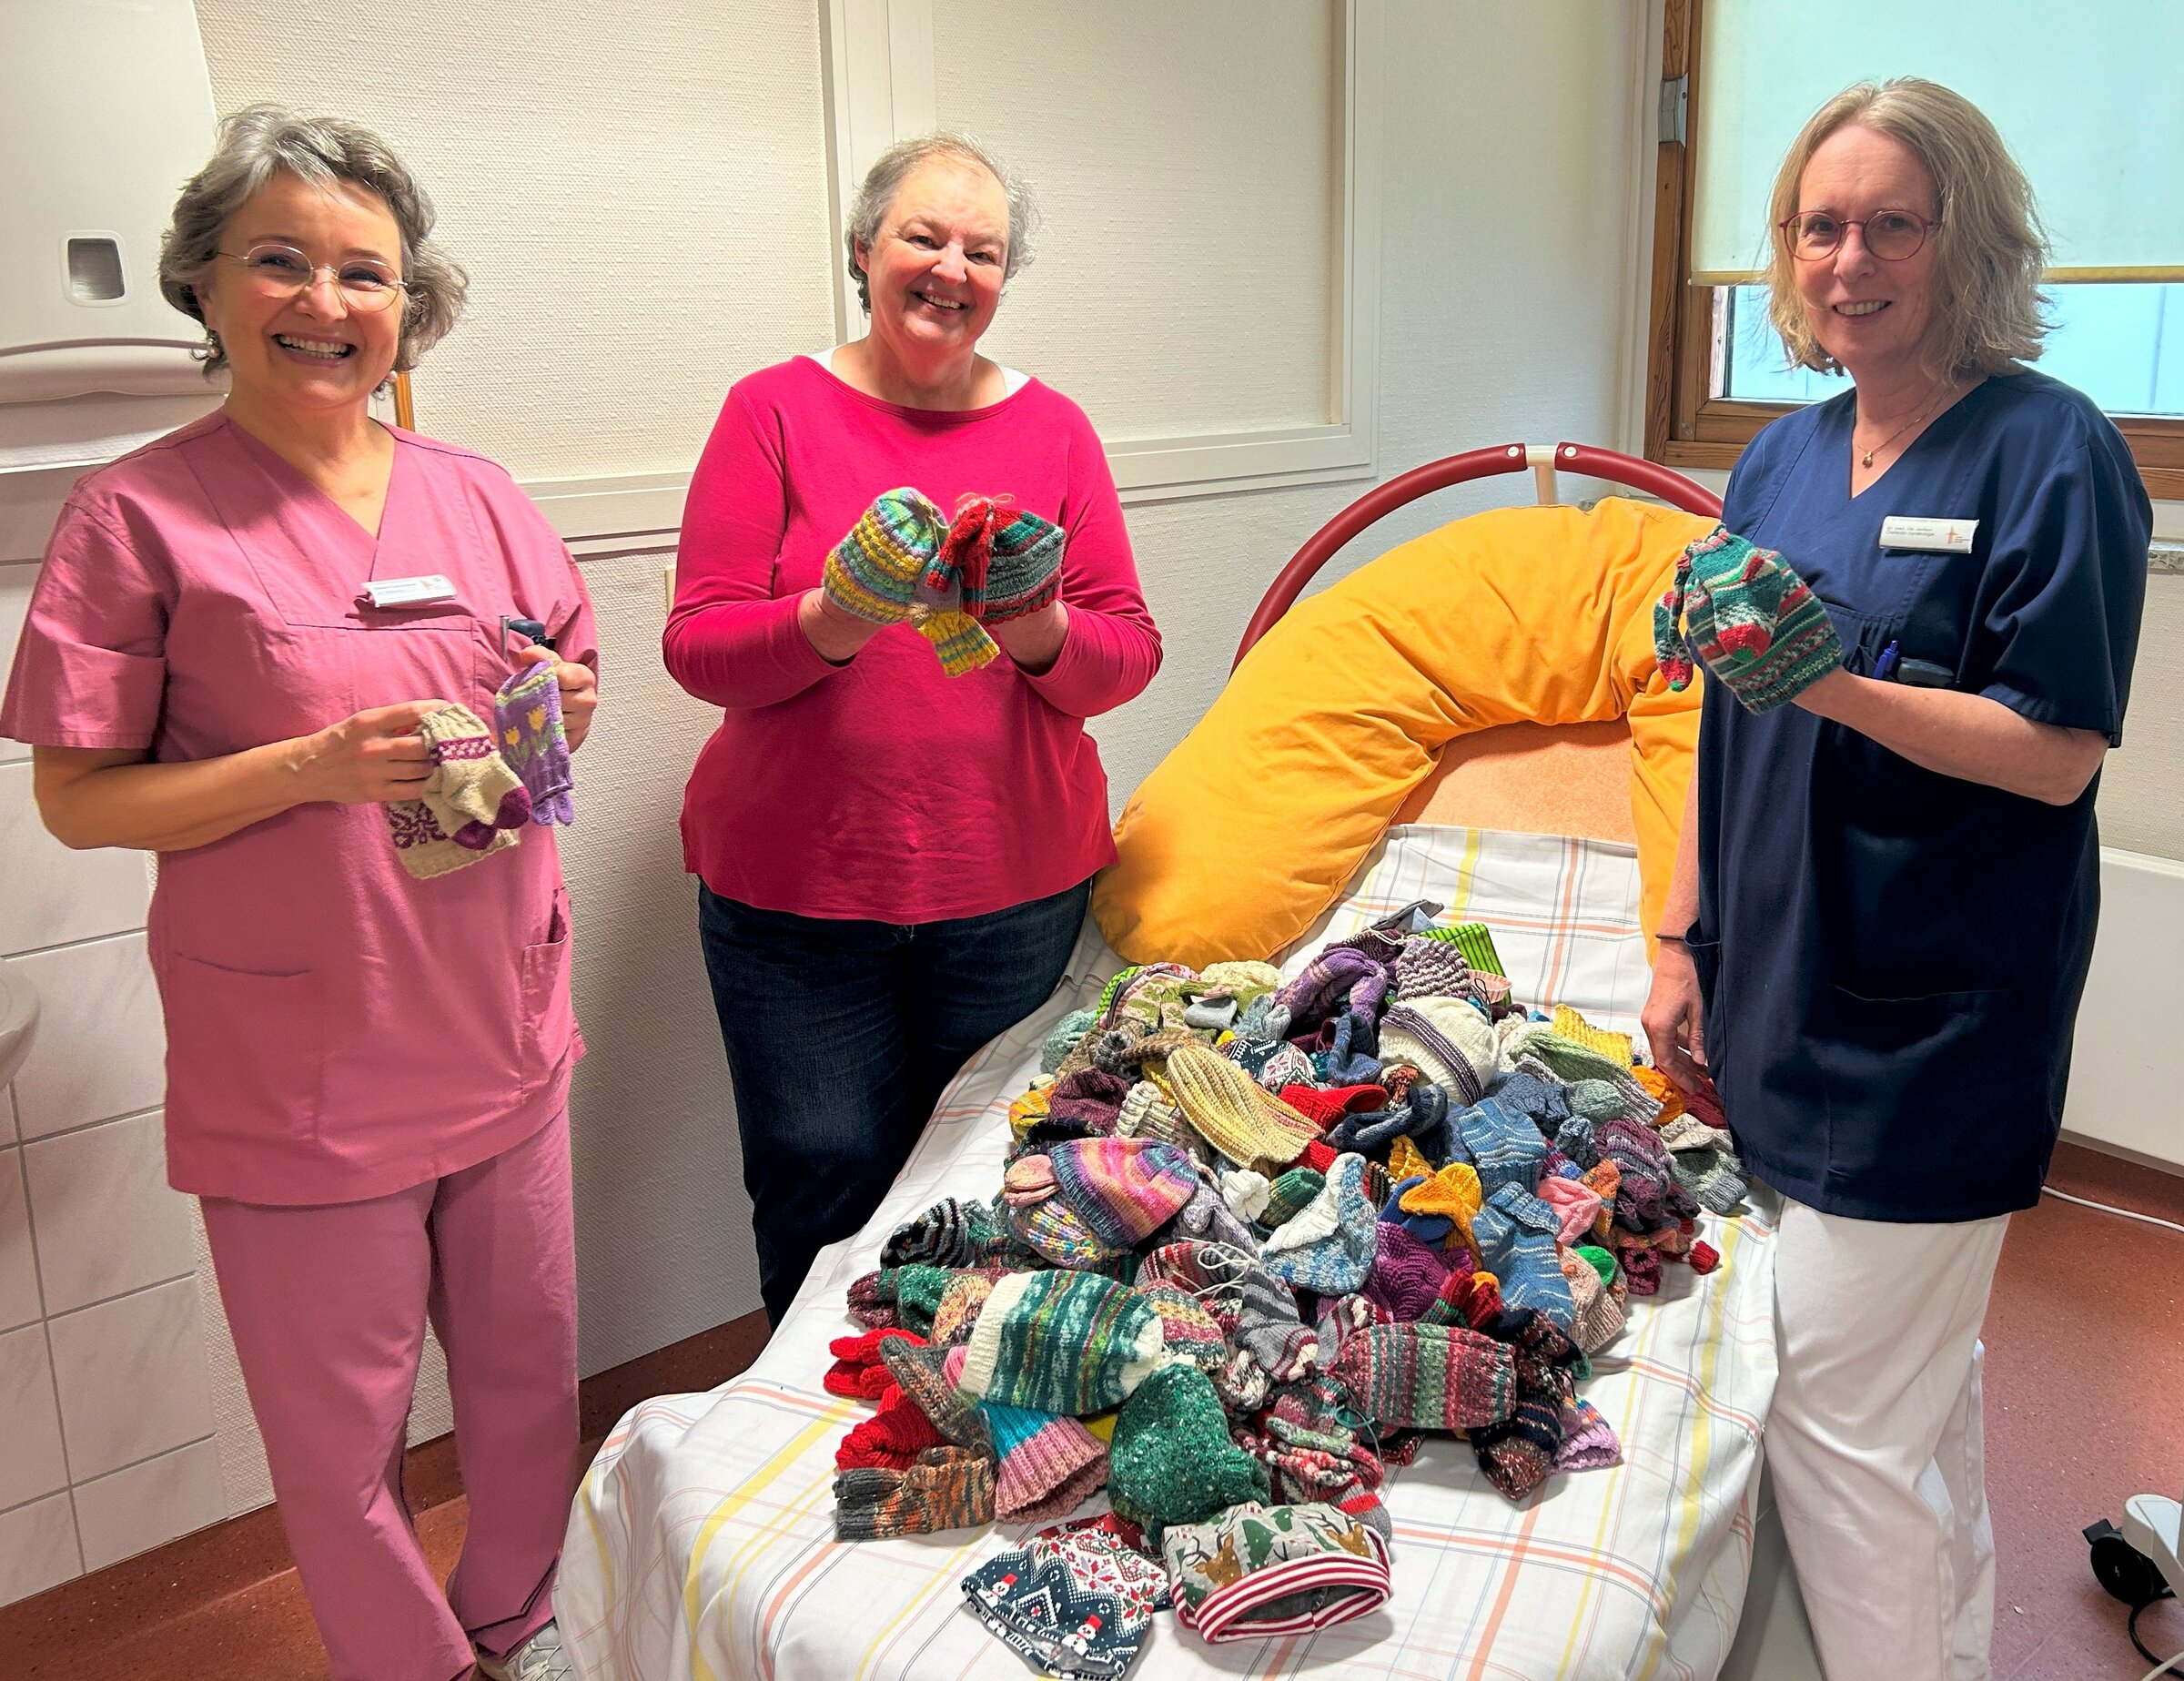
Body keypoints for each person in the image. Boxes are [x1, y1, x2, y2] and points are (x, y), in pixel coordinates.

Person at [1, 107, 599, 1681]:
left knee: (529, 1383)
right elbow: (76, 798)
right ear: (204, 284)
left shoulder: (480, 495)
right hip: (304, 1070)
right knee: (340, 1438)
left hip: (501, 1026)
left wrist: (563, 706)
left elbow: (559, 685)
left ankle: (519, 1619)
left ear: (411, 303)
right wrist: (307, 766)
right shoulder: (136, 517)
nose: (326, 303)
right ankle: (409, 1664)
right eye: (281, 261)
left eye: (365, 273)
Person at [1642, 79, 2149, 1681]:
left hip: (1936, 1019)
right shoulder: (1777, 461)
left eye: (1893, 226)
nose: (1849, 260)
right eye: (1820, 227)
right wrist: (1680, 939)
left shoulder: (2052, 451)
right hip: (1775, 977)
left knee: (1834, 1417)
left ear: (1966, 240)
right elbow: (1722, 719)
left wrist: (1836, 683)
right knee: (1910, 1400)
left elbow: (2055, 754)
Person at [665, 132, 1161, 1326]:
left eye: (981, 251)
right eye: (923, 238)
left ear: (1005, 277)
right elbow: (697, 646)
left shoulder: (1056, 429)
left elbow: (1128, 656)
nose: (951, 269)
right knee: (820, 1189)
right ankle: (819, 1413)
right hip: (798, 898)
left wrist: (1034, 624)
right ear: (863, 250)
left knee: (997, 1190)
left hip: (1014, 893)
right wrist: (836, 612)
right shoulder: (771, 410)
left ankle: (974, 1408)